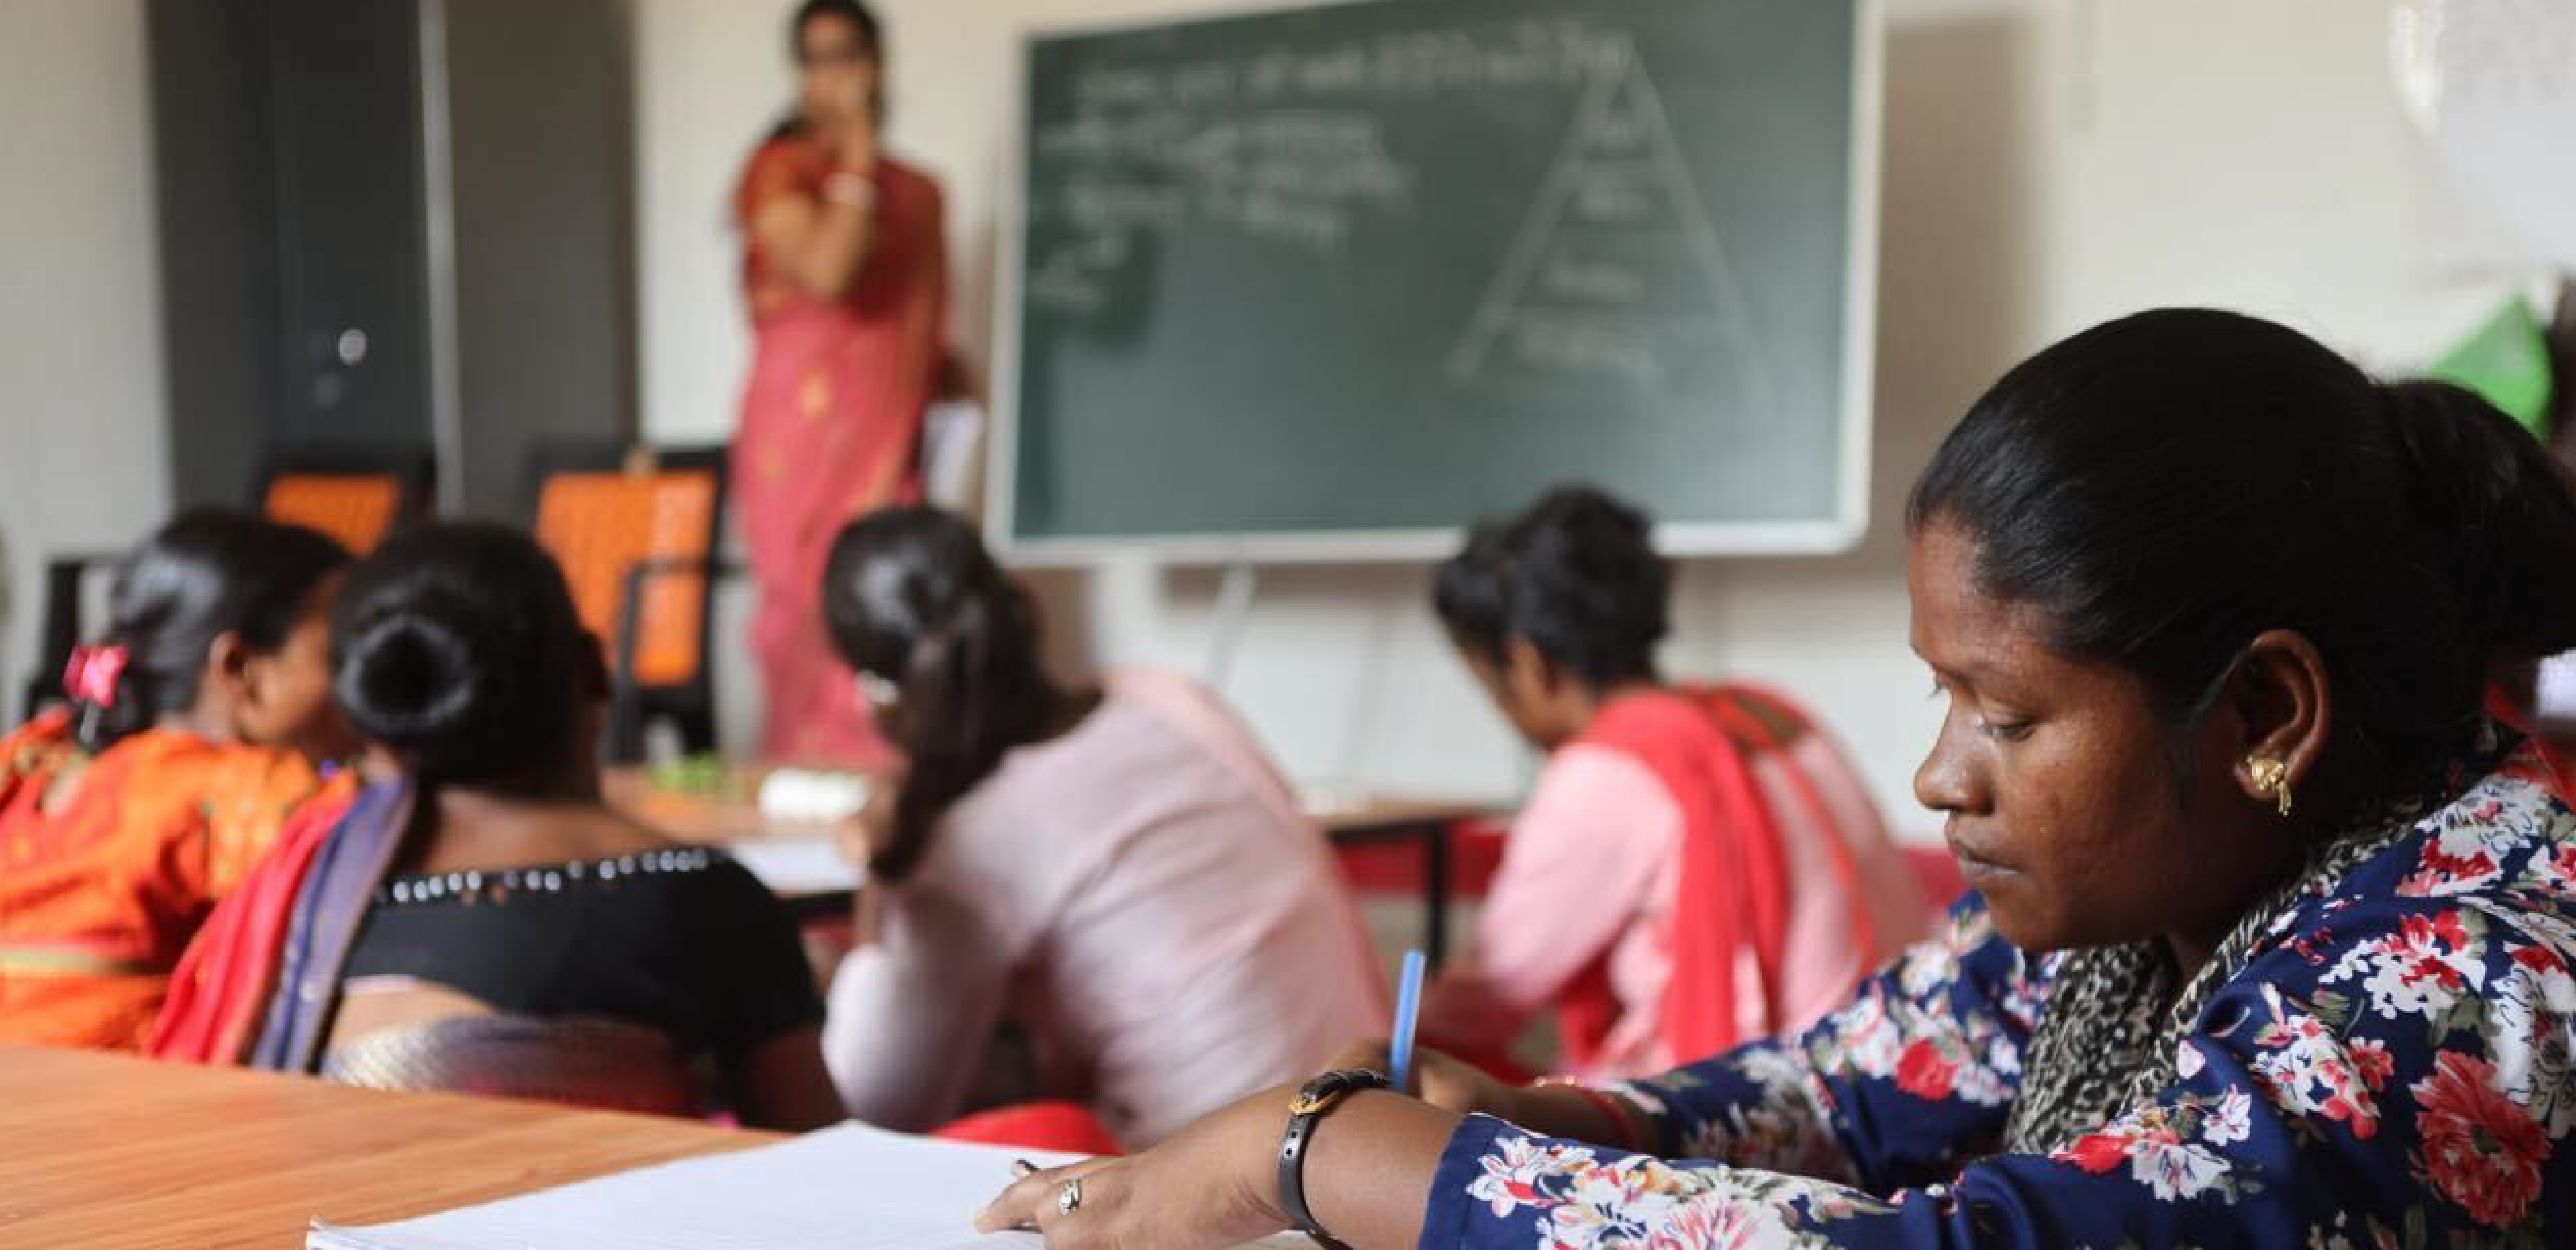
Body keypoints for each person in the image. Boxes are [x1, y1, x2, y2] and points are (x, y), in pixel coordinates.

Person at [978, 309, 2576, 1247]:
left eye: (2005, 714)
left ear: (2266, 715)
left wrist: (1318, 1154)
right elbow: (1835, 1097)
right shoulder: (2164, 878)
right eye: (1942, 694)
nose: (1939, 775)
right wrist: (1547, 1112)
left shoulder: (2467, 974)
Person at [152, 524, 841, 1132]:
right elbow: (816, 1164)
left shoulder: (303, 887)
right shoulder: (706, 899)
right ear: (593, 671)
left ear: (371, 717)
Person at [816, 506, 1385, 1147]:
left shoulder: (967, 847)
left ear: (875, 696)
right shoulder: (1167, 697)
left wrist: (880, 873)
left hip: (1240, 1183)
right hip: (1384, 1119)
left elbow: (868, 1105)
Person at [1420, 486, 1930, 1079]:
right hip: (1903, 1054)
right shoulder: (1770, 713)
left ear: (1531, 666)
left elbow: (1486, 1001)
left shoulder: (1605, 772)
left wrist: (1380, 1043)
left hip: (1790, 1095)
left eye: (1492, 687)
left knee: (1443, 1085)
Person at [0, 510, 353, 1050]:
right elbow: (363, 864)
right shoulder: (242, 788)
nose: (362, 677)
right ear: (240, 667)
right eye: (341, 653)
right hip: (113, 1095)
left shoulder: (32, 758)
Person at [733, 0, 953, 765]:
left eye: (850, 54)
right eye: (818, 60)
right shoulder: (779, 174)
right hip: (797, 444)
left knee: (893, 596)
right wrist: (857, 152)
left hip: (886, 436)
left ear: (879, 63)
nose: (838, 76)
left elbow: (925, 326)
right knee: (803, 608)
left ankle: (887, 783)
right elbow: (830, 270)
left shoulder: (920, 194)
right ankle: (799, 779)